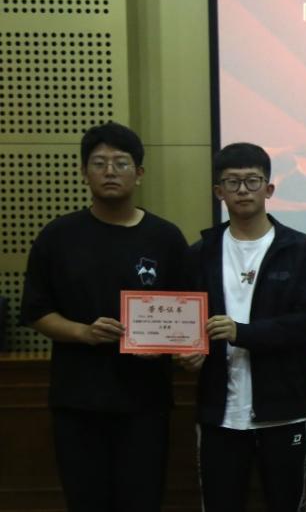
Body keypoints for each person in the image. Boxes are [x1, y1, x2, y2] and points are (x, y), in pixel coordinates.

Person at [19, 121, 189, 511]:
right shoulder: (58, 236)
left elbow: (187, 309)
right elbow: (36, 311)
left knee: (142, 500)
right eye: (99, 163)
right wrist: (83, 333)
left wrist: (186, 348)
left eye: (121, 163)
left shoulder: (165, 237)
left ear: (139, 173)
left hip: (146, 401)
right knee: (86, 501)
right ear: (84, 172)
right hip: (78, 401)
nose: (110, 171)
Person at [181, 142, 306, 512]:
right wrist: (188, 353)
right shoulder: (200, 253)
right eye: (232, 182)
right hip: (220, 413)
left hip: (283, 410)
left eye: (252, 181)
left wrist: (240, 332)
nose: (243, 190)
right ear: (219, 191)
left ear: (269, 188)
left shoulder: (300, 250)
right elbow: (187, 321)